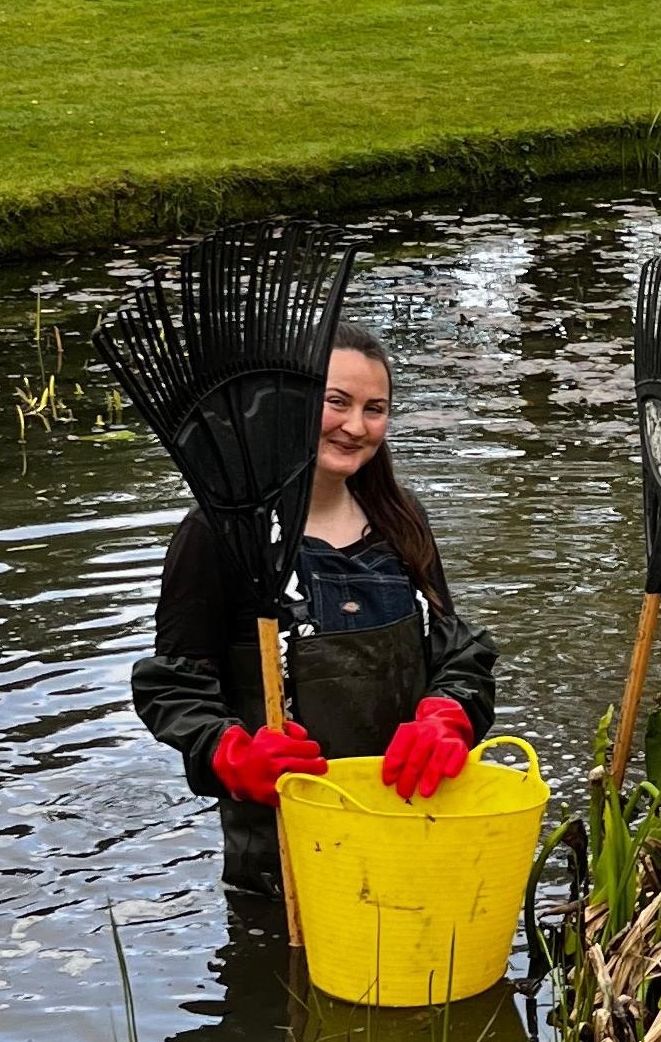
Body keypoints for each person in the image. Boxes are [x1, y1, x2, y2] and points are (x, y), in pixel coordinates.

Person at [133, 320, 497, 900]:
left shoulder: (401, 521)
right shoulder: (217, 535)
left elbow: (458, 654)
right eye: (336, 402)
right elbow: (171, 689)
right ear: (289, 403)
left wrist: (446, 715)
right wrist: (233, 754)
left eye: (374, 409)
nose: (356, 427)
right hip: (284, 858)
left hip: (409, 831)